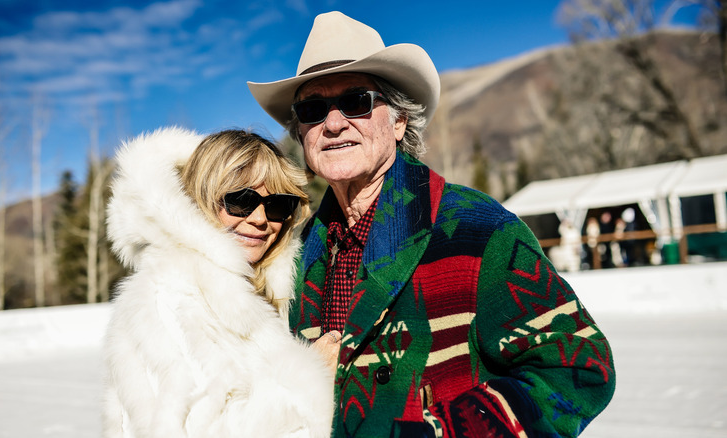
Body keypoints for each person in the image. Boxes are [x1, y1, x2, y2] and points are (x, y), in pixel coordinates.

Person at [248, 11, 615, 437]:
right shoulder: (290, 256)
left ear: (399, 121)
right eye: (313, 109)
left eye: (356, 101)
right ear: (301, 132)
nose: (332, 123)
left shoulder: (477, 229)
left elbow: (578, 364)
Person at [102, 127, 338, 437]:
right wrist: (315, 376)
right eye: (240, 200)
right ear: (198, 199)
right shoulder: (171, 298)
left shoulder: (262, 292)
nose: (260, 219)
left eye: (278, 205)